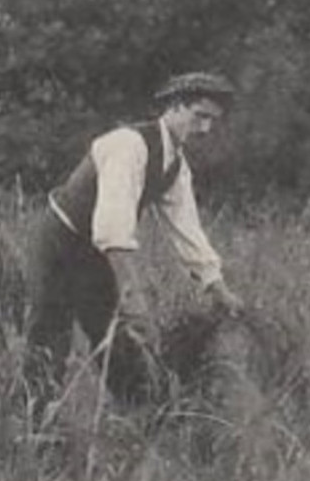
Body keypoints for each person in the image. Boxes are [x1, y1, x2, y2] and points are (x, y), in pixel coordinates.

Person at [24, 71, 245, 426]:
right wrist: (131, 293)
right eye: (199, 116)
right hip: (59, 244)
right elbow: (112, 228)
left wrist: (218, 289)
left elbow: (187, 232)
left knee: (119, 342)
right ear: (174, 107)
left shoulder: (176, 166)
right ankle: (33, 431)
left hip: (97, 255)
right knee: (49, 339)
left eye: (212, 121)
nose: (205, 129)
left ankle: (140, 422)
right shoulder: (128, 145)